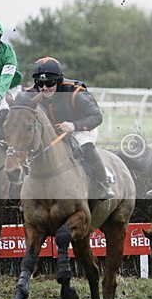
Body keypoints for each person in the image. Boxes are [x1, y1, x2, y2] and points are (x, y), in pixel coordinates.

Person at [30, 56, 114, 200]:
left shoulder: (76, 92)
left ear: (59, 80)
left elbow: (96, 117)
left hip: (81, 128)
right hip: (51, 132)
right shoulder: (31, 93)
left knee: (85, 145)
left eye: (49, 83)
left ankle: (103, 183)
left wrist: (74, 125)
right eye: (40, 84)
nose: (44, 88)